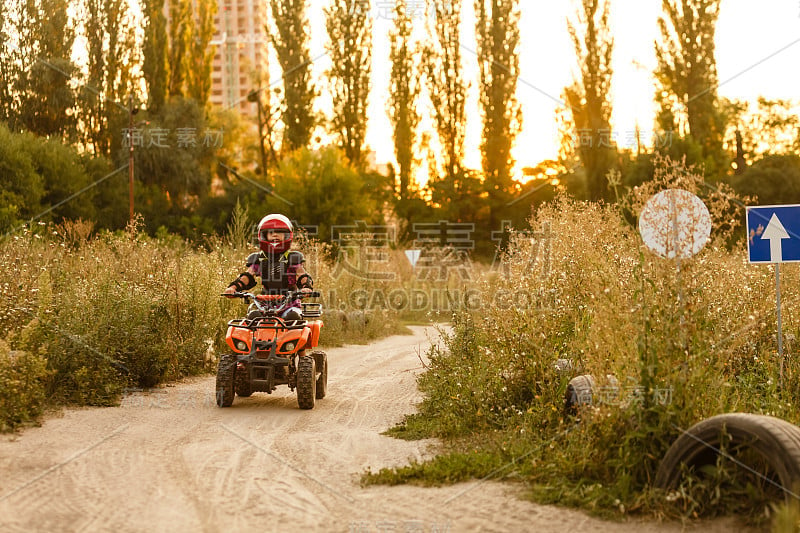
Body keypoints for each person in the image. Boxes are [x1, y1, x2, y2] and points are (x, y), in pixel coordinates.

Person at [223, 214, 313, 321]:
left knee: (292, 318)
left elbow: (301, 275)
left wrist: (306, 287)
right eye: (270, 232)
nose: (274, 235)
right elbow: (247, 276)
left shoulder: (293, 258)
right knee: (253, 318)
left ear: (287, 235)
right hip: (264, 305)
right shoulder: (258, 258)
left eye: (279, 232)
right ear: (264, 235)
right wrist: (233, 288)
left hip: (290, 305)